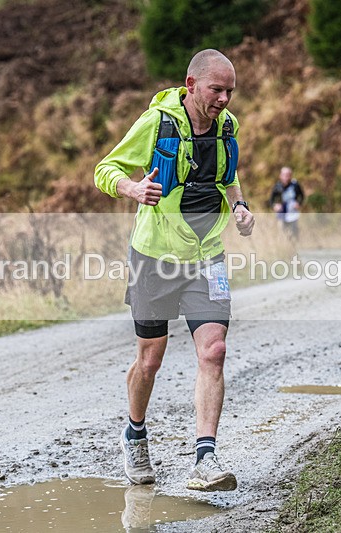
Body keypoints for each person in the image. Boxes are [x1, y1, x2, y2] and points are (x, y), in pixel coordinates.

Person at [94, 49, 254, 492]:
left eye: (230, 91)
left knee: (214, 350)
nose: (224, 99)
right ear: (191, 85)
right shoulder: (157, 123)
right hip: (154, 257)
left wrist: (240, 206)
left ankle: (205, 458)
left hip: (207, 256)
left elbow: (228, 177)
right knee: (150, 358)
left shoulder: (228, 127)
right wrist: (132, 187)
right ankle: (135, 434)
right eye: (216, 90)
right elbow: (105, 169)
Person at [269, 166, 304, 241]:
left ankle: (294, 245)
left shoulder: (295, 185)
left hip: (293, 214)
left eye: (288, 175)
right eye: (284, 175)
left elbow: (302, 196)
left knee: (294, 234)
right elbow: (271, 200)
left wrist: (298, 203)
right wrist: (275, 206)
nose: (286, 177)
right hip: (281, 215)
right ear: (280, 176)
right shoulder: (277, 187)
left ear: (291, 176)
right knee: (282, 234)